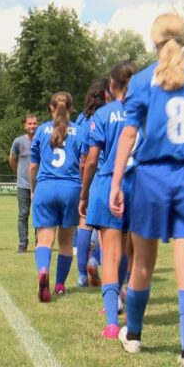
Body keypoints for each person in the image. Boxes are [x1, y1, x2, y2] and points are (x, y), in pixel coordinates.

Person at [109, 13, 184, 367]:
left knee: (142, 264)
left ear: (153, 41)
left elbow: (128, 135)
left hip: (152, 176)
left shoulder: (140, 81)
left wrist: (115, 181)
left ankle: (134, 334)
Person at [80, 62, 136, 339]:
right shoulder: (146, 112)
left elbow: (91, 159)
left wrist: (83, 193)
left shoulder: (103, 114)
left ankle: (112, 323)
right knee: (132, 254)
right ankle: (129, 310)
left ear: (110, 88)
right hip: (139, 184)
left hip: (108, 183)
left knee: (111, 255)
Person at [29, 93, 87, 302]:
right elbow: (84, 163)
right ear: (71, 109)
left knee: (44, 239)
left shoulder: (42, 130)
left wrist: (33, 188)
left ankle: (43, 270)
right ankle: (60, 285)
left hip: (45, 187)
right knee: (65, 241)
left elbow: (33, 165)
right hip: (71, 188)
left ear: (50, 108)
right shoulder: (80, 131)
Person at [75, 79, 109, 287]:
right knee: (107, 228)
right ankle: (96, 259)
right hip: (110, 173)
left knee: (84, 222)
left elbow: (83, 156)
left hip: (90, 173)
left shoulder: (81, 120)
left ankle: (81, 275)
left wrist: (83, 184)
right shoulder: (112, 114)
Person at [9, 114, 38, 253]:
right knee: (23, 214)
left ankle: (40, 243)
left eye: (35, 123)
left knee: (40, 214)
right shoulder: (18, 142)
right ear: (25, 126)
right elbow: (12, 159)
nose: (32, 126)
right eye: (30, 124)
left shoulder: (42, 139)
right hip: (23, 185)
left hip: (40, 184)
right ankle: (23, 243)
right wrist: (19, 174)